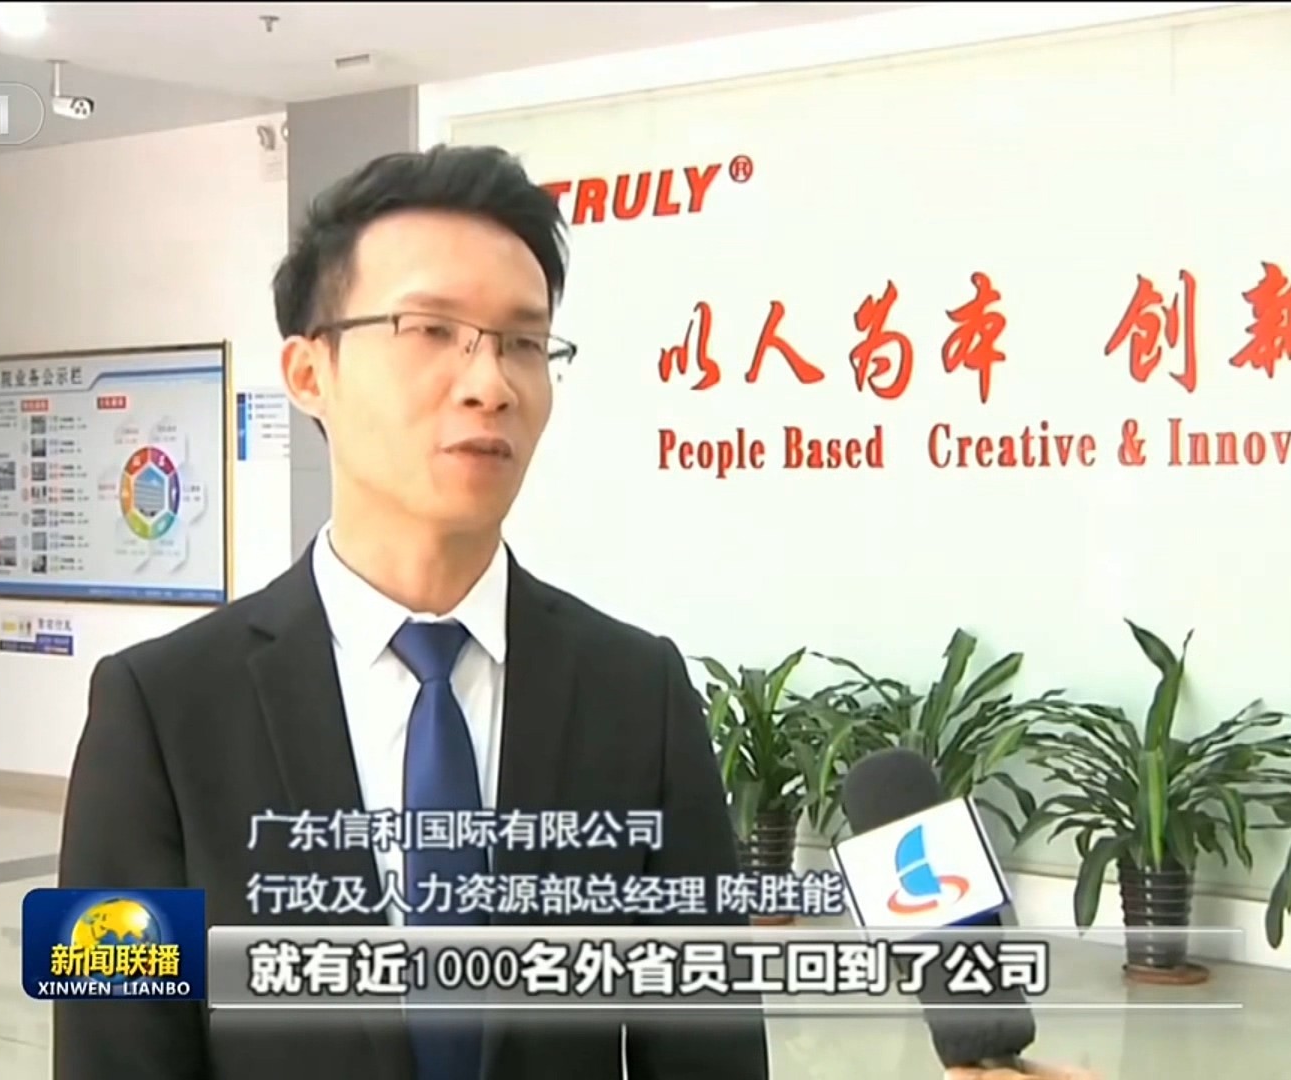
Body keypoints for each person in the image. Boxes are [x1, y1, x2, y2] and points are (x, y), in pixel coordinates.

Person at [54, 144, 768, 1080]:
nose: (490, 383)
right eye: (431, 329)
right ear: (310, 372)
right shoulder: (158, 710)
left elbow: (711, 1047)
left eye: (523, 343)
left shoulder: (640, 694)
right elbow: (112, 1052)